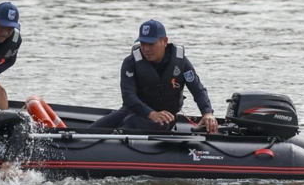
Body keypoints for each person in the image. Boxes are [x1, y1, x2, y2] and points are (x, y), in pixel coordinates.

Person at [89, 19, 218, 134]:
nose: (146, 49)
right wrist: (150, 113)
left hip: (165, 116)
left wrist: (207, 113)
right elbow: (128, 96)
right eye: (143, 44)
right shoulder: (130, 62)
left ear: (164, 41)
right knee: (91, 131)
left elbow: (197, 89)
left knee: (130, 124)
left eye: (151, 44)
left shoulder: (180, 62)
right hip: (135, 110)